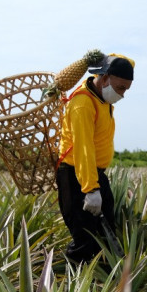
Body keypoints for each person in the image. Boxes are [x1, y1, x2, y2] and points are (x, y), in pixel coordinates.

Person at [56, 53, 134, 264]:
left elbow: (123, 61)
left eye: (126, 89)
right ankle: (70, 287)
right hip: (74, 175)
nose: (122, 94)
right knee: (84, 238)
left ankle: (103, 283)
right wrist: (90, 189)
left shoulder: (102, 96)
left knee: (106, 226)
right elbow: (83, 149)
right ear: (105, 77)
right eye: (120, 88)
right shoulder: (83, 104)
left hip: (94, 173)